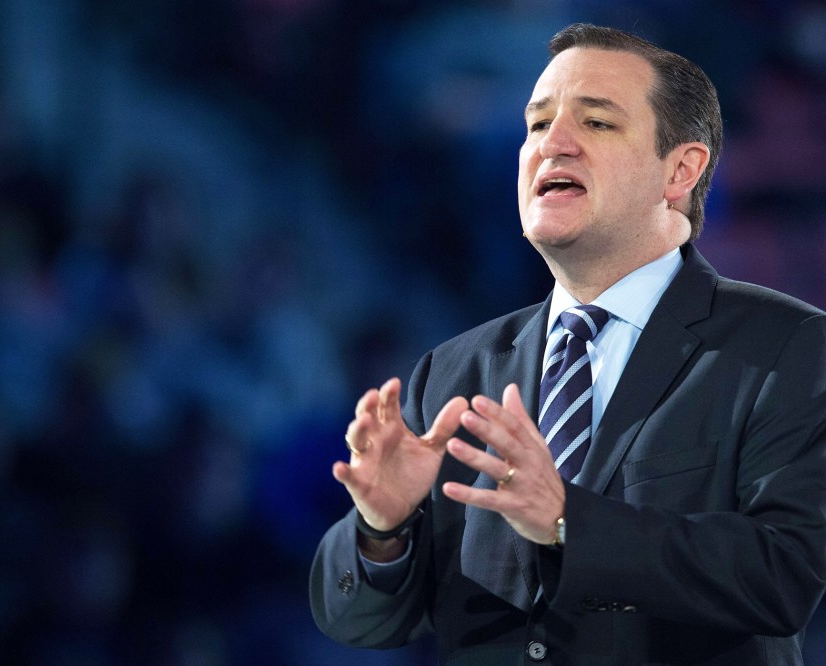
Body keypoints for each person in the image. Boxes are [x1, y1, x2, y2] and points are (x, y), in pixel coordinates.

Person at [309, 23, 826, 665]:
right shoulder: (452, 373)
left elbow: (781, 577)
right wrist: (382, 533)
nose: (553, 145)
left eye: (598, 124)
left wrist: (566, 522)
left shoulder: (785, 347)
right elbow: (359, 621)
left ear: (681, 171)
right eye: (536, 124)